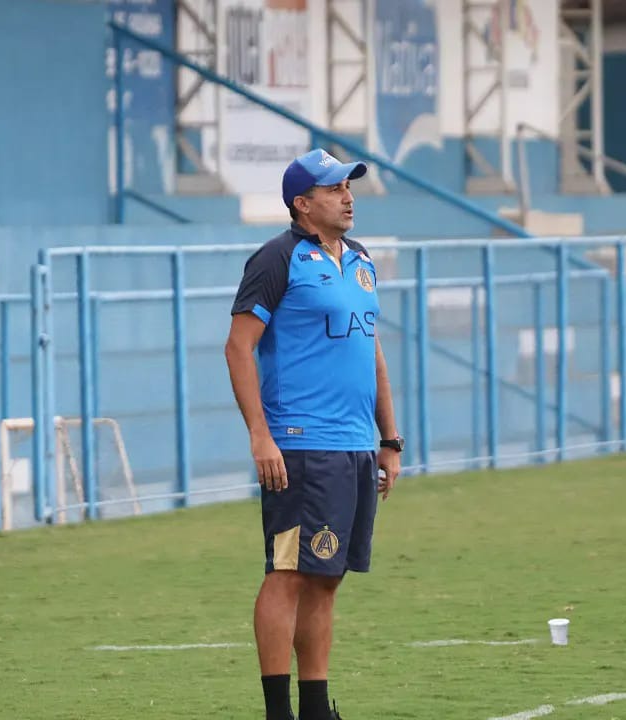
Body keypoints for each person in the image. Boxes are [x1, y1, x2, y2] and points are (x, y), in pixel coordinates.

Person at [224, 149, 404, 720]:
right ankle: (280, 711)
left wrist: (389, 438)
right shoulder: (277, 259)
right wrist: (261, 435)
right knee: (287, 574)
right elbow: (238, 347)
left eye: (348, 186)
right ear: (303, 205)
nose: (348, 196)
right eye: (333, 189)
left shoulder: (361, 259)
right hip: (300, 445)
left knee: (326, 579)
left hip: (353, 445)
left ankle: (315, 709)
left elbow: (370, 351)